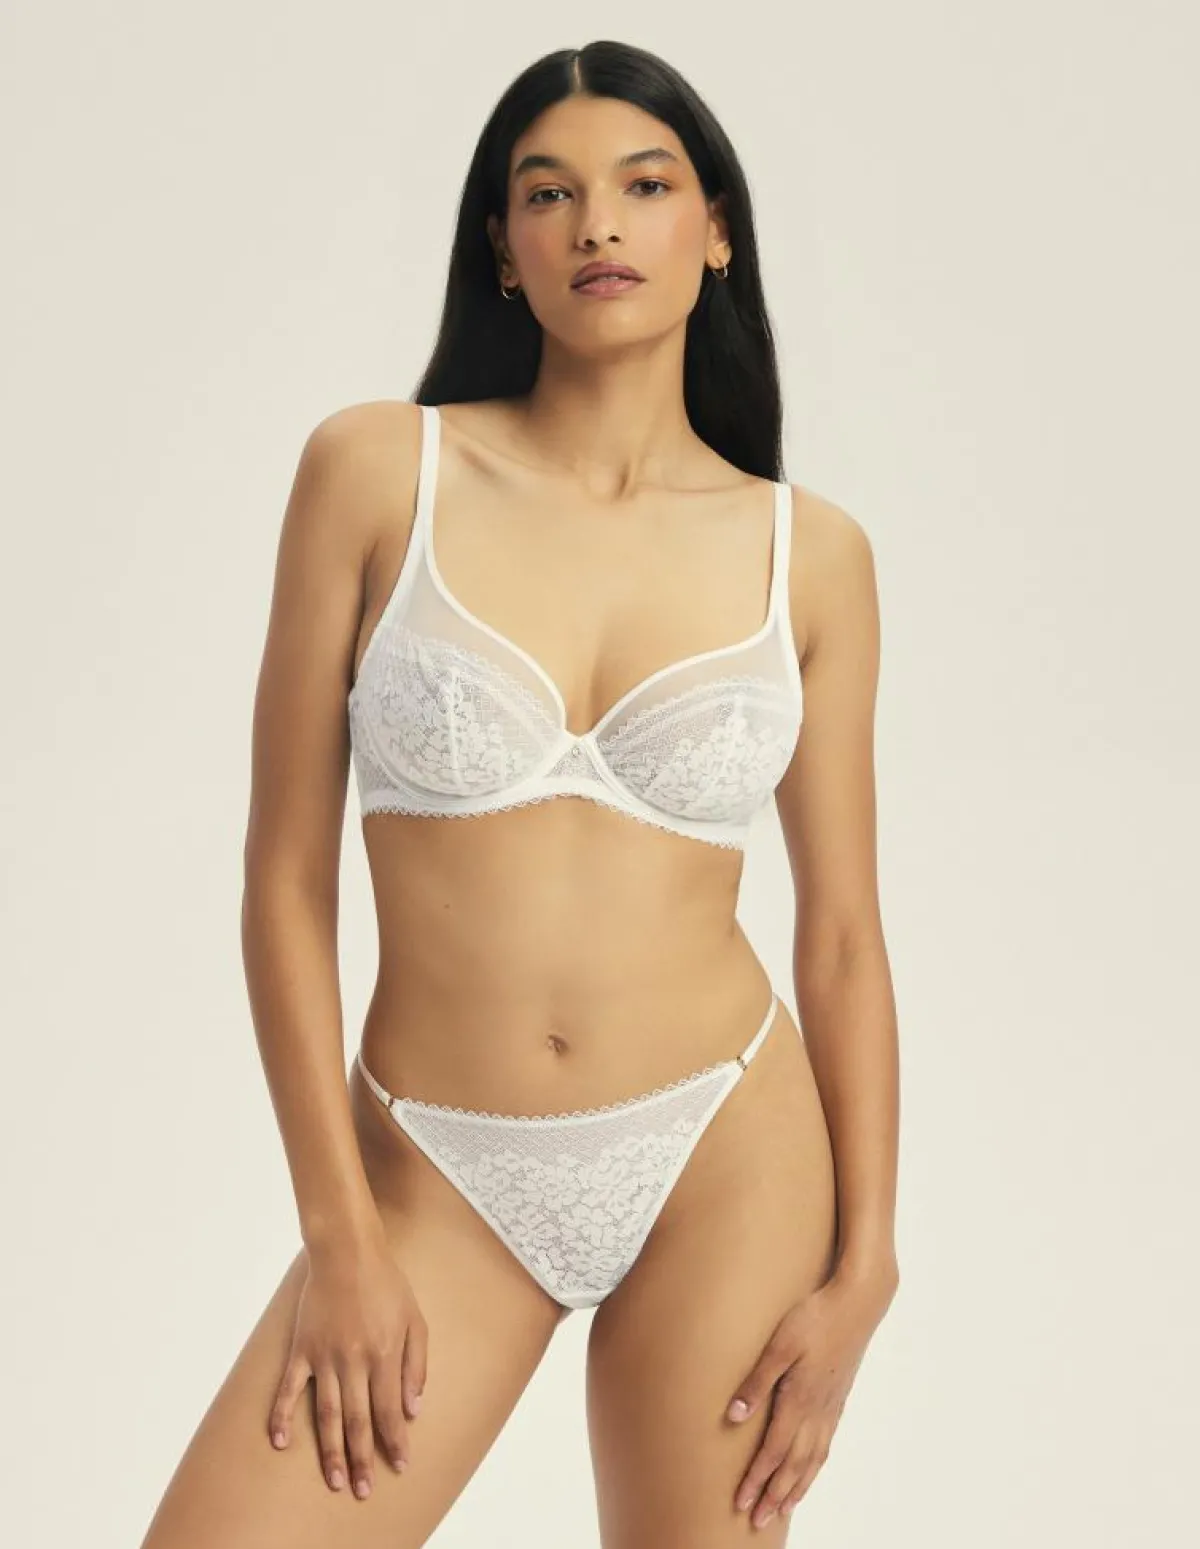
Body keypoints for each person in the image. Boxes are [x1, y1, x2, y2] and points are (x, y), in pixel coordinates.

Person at [139, 37, 900, 1549]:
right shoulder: (377, 474)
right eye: (548, 195)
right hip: (431, 1171)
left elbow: (842, 939)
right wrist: (338, 1235)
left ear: (717, 229)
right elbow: (283, 884)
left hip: (726, 1157)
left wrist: (866, 1263)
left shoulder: (809, 555)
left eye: (645, 185)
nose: (597, 224)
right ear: (502, 247)